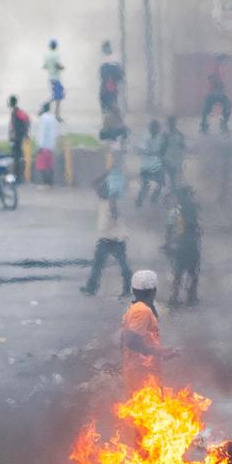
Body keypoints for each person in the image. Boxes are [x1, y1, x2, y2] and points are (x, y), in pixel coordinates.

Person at [121, 270, 177, 393]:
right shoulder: (142, 310)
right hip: (142, 372)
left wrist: (162, 351)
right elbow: (131, 341)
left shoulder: (138, 308)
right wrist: (157, 352)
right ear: (153, 291)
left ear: (134, 290)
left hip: (141, 370)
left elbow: (126, 339)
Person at [82, 160, 132, 297]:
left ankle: (126, 288)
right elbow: (93, 183)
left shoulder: (110, 201)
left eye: (100, 189)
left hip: (114, 239)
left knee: (120, 265)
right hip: (106, 238)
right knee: (101, 264)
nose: (97, 191)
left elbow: (114, 216)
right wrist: (106, 173)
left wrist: (113, 212)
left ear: (104, 190)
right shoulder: (105, 200)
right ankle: (92, 288)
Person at [164, 186, 201, 307]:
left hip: (180, 246)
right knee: (192, 272)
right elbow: (197, 229)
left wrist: (168, 244)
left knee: (178, 272)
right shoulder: (193, 209)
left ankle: (174, 297)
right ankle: (191, 296)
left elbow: (170, 229)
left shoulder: (175, 211)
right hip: (191, 245)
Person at [136, 120, 166, 207]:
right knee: (145, 186)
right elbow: (142, 149)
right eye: (154, 128)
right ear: (151, 129)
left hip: (156, 166)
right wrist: (153, 152)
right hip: (146, 167)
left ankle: (153, 198)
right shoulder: (145, 137)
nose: (156, 130)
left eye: (157, 128)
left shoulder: (160, 138)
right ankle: (139, 200)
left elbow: (161, 150)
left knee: (160, 183)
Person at [201, 54, 231, 134]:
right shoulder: (214, 65)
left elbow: (220, 80)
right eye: (223, 58)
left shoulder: (221, 67)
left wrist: (222, 85)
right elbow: (210, 77)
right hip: (213, 92)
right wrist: (217, 82)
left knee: (228, 106)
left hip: (219, 92)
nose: (224, 61)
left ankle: (224, 123)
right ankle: (204, 124)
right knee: (207, 108)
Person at [7, 96, 30, 185]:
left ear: (12, 103)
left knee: (17, 159)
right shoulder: (15, 112)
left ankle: (18, 178)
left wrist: (25, 134)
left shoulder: (17, 112)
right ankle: (18, 177)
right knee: (17, 158)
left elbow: (26, 121)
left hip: (17, 139)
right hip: (16, 138)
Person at [35, 102, 59, 186]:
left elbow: (42, 133)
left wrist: (40, 146)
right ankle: (50, 183)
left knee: (42, 166)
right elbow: (56, 132)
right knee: (50, 165)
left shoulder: (43, 118)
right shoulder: (53, 118)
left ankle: (46, 183)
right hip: (51, 146)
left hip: (44, 146)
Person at [99, 40, 125, 112]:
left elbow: (116, 71)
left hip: (110, 82)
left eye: (105, 48)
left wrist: (111, 77)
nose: (104, 50)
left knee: (110, 99)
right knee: (106, 99)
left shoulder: (113, 58)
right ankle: (109, 116)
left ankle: (112, 117)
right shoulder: (106, 58)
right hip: (108, 82)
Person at [44, 39, 66, 121]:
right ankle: (57, 115)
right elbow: (57, 64)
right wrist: (62, 67)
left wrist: (51, 68)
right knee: (58, 97)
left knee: (56, 96)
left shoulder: (47, 55)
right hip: (56, 78)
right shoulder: (56, 54)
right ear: (55, 46)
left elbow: (45, 66)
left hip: (50, 78)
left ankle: (45, 107)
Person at [162, 116, 185, 190]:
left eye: (173, 123)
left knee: (175, 180)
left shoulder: (179, 134)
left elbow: (182, 147)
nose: (171, 124)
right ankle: (172, 194)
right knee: (171, 179)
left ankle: (173, 194)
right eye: (170, 123)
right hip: (169, 160)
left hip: (177, 160)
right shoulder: (165, 135)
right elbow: (162, 148)